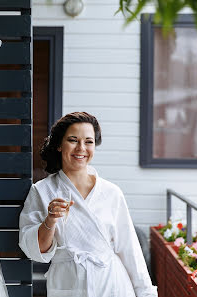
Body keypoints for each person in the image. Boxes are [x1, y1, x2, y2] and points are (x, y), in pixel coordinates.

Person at [19, 112, 157, 297]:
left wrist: (146, 293)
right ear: (59, 145)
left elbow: (129, 249)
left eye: (89, 142)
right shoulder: (42, 191)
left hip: (112, 283)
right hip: (68, 283)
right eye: (73, 140)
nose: (81, 148)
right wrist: (50, 221)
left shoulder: (111, 192)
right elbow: (35, 251)